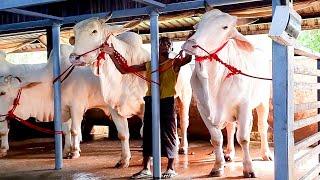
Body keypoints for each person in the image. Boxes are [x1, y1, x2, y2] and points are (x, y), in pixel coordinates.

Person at [101, 37, 192, 179]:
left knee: (169, 134)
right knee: (149, 134)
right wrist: (112, 54)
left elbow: (188, 60)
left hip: (167, 102)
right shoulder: (149, 65)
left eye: (168, 43)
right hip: (150, 101)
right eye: (161, 43)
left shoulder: (175, 63)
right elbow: (124, 70)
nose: (164, 45)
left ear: (171, 48)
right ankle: (145, 169)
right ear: (157, 46)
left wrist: (190, 43)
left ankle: (171, 168)